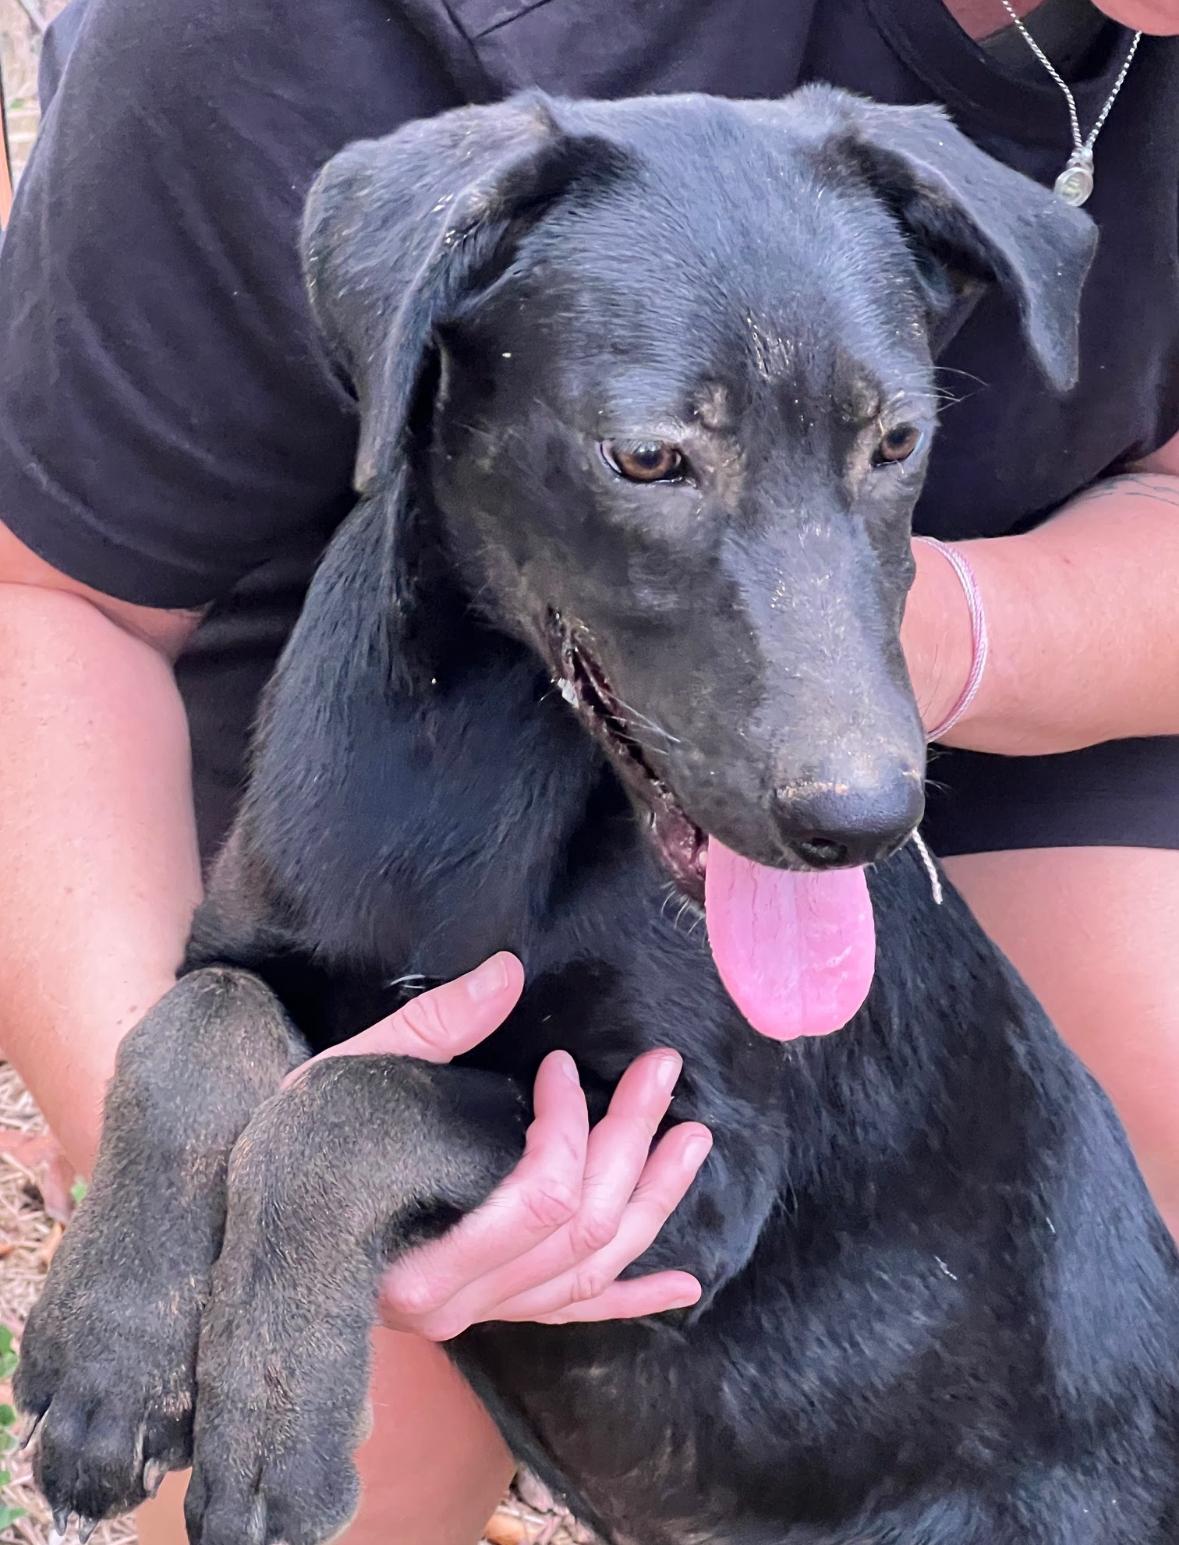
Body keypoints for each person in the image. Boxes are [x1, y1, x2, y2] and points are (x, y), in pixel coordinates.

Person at [1, 0, 1178, 1539]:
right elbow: (44, 607)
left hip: (942, 683)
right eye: (655, 456)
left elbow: (706, 1179)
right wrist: (173, 1164)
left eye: (894, 439)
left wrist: (909, 651)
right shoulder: (285, 43)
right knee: (331, 1429)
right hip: (398, 643)